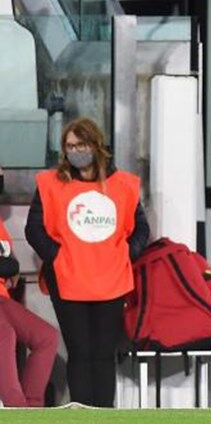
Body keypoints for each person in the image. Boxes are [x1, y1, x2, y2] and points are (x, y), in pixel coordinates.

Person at [25, 118, 150, 408]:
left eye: (81, 145)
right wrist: (57, 257)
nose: (75, 151)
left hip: (111, 281)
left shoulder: (124, 185)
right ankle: (81, 415)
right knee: (80, 353)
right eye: (69, 146)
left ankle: (103, 415)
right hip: (67, 281)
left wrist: (125, 254)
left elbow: (141, 229)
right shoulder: (50, 184)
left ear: (96, 145)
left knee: (104, 355)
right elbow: (34, 229)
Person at [0, 212, 58, 408]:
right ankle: (16, 409)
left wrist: (9, 267)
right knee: (4, 333)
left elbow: (10, 264)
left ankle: (32, 411)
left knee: (46, 337)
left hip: (2, 296)